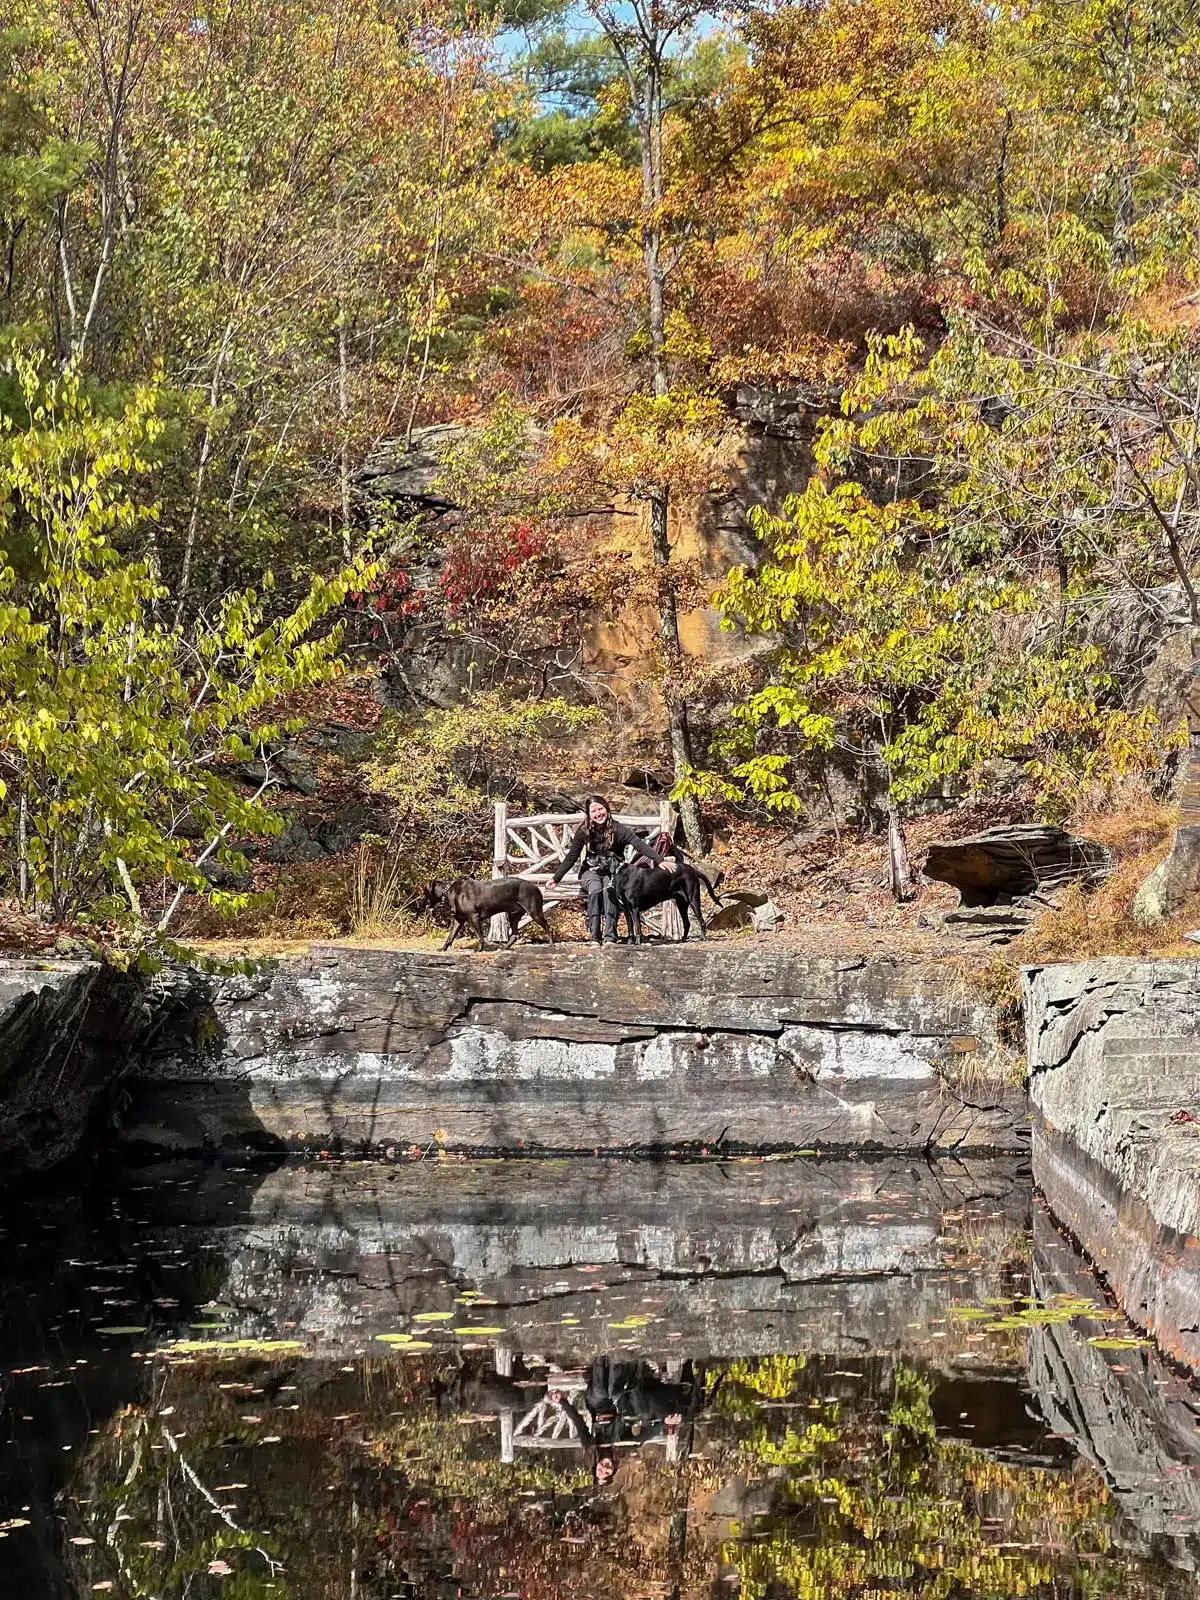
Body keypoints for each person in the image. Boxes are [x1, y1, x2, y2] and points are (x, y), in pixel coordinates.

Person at [550, 794, 668, 945]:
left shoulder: (618, 829)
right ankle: (594, 936)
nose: (598, 814)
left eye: (601, 809)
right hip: (590, 871)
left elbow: (638, 844)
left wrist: (659, 860)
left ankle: (610, 936)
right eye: (594, 811)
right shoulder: (584, 831)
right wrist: (556, 878)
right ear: (588, 814)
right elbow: (571, 856)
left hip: (614, 872)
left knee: (609, 890)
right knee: (595, 889)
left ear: (607, 809)